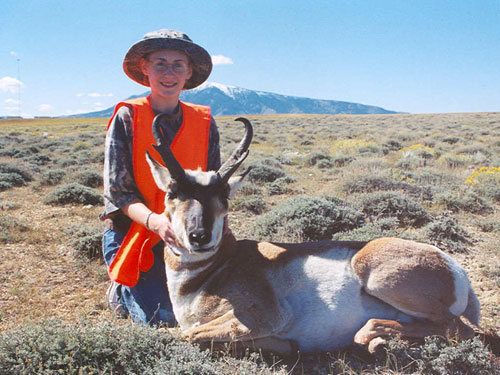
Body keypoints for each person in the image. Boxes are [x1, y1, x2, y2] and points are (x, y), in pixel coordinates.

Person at [100, 29, 221, 326]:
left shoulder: (204, 122)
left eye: (178, 64)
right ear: (145, 68)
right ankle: (121, 290)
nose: (169, 73)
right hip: (134, 234)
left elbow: (213, 187)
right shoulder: (127, 117)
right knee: (163, 318)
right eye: (160, 63)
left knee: (214, 307)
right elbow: (119, 194)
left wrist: (221, 230)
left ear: (189, 71)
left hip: (189, 233)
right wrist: (157, 223)